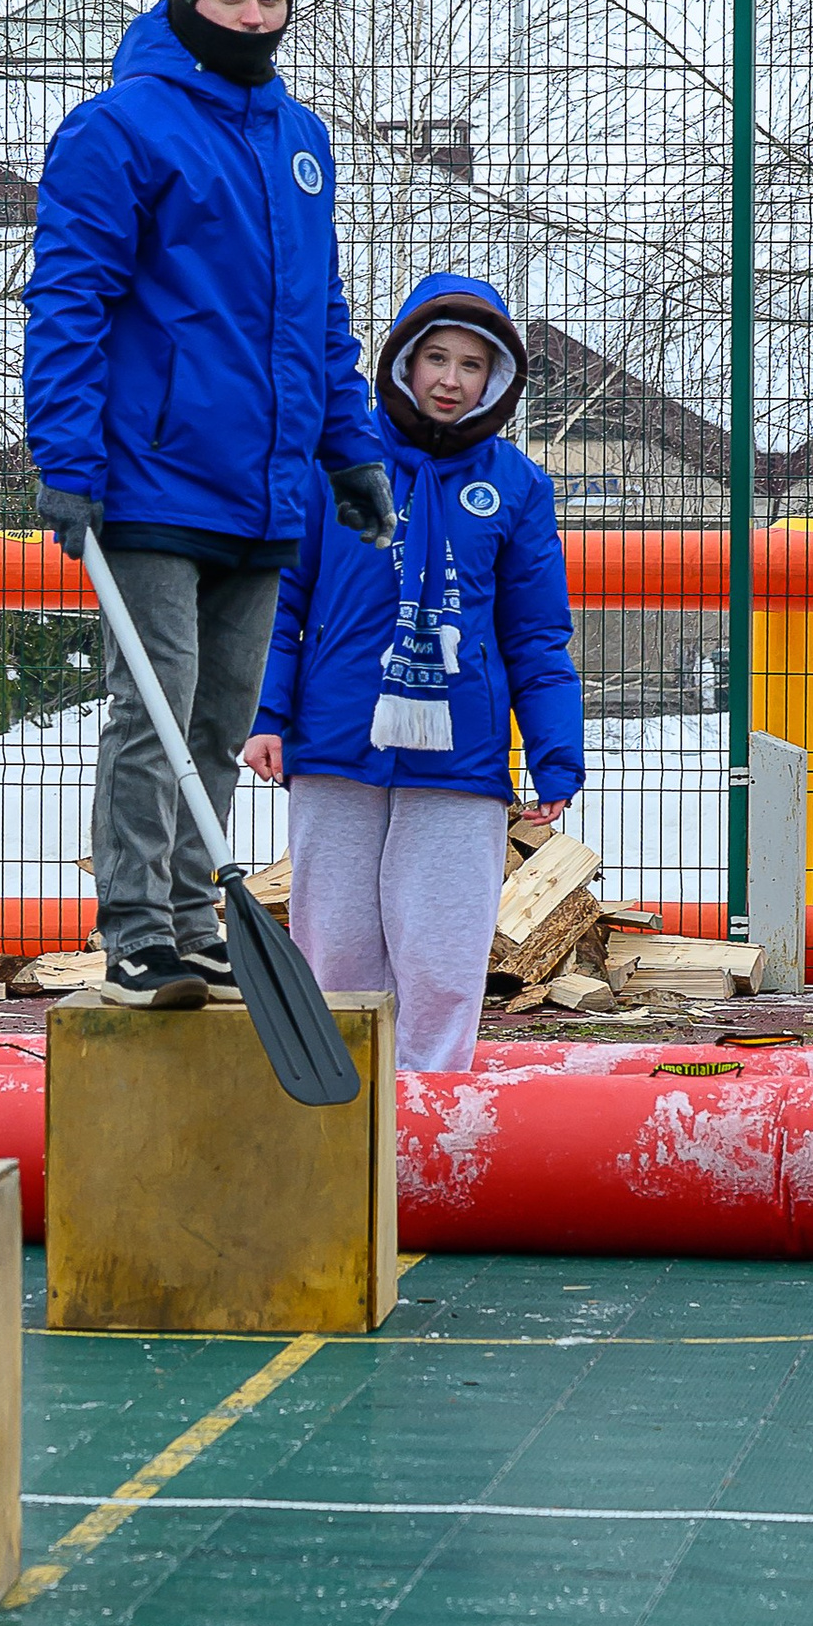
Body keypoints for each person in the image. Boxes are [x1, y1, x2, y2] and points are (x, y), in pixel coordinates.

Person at [21, 0, 396, 1008]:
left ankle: (192, 921)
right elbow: (68, 300)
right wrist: (66, 455)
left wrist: (350, 450)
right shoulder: (117, 129)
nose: (250, 17)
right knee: (153, 706)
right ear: (188, 0)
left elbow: (318, 317)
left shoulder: (302, 142)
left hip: (265, 484)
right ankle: (135, 931)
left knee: (221, 720)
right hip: (149, 476)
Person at [241, 272, 584, 1070]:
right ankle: (342, 1112)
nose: (450, 380)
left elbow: (536, 637)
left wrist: (555, 755)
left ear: (495, 380)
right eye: (436, 358)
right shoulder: (331, 466)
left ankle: (431, 1121)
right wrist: (266, 716)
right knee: (339, 947)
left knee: (440, 954)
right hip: (334, 740)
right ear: (403, 362)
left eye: (472, 365)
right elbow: (281, 602)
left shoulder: (517, 488)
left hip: (457, 757)